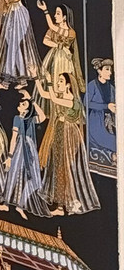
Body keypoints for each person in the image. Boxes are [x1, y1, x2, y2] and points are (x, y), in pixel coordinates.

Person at [36, 71, 100, 214]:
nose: (58, 83)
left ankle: (65, 204)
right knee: (57, 167)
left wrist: (49, 81)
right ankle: (60, 205)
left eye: (61, 81)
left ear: (68, 85)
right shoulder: (61, 96)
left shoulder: (72, 100)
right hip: (59, 131)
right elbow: (43, 94)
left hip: (68, 134)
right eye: (58, 81)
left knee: (64, 168)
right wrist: (36, 77)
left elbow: (53, 98)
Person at [3, 89, 50, 219]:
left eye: (24, 104)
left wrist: (32, 100)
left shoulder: (31, 120)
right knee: (13, 174)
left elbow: (43, 116)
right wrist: (10, 156)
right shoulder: (17, 119)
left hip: (30, 149)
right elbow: (13, 138)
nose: (21, 104)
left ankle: (20, 204)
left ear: (28, 109)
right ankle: (6, 203)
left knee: (35, 181)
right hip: (20, 148)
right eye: (21, 103)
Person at [36, 0, 83, 84]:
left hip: (65, 59)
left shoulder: (71, 32)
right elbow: (45, 41)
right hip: (53, 57)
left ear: (64, 17)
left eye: (58, 13)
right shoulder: (53, 29)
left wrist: (45, 11)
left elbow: (51, 26)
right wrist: (59, 46)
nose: (55, 16)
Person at [86, 59, 116, 168]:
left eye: (110, 70)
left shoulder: (111, 88)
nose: (110, 73)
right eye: (107, 69)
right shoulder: (92, 85)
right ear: (99, 71)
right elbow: (86, 103)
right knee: (113, 141)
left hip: (109, 120)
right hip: (96, 120)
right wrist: (106, 106)